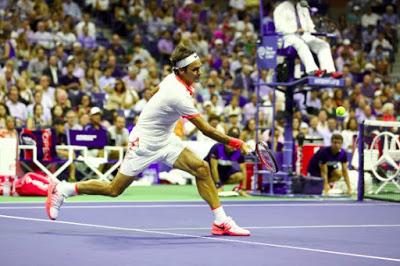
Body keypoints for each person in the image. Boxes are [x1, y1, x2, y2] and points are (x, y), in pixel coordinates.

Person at [46, 44, 251, 236]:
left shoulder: (175, 78)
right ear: (181, 71)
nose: (199, 73)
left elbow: (154, 91)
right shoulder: (177, 94)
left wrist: (152, 114)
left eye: (199, 68)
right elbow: (206, 130)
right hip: (144, 143)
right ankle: (63, 189)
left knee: (202, 169)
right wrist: (237, 143)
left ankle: (221, 221)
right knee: (114, 189)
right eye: (195, 70)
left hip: (165, 139)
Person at [273, 0, 342, 78]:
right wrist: (295, 30)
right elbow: (279, 28)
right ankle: (312, 70)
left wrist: (316, 34)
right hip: (288, 36)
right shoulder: (280, 8)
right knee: (301, 44)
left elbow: (309, 25)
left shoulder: (303, 6)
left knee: (323, 45)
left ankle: (329, 71)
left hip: (304, 35)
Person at [204, 127, 249, 197]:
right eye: (230, 144)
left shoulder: (239, 151)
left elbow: (244, 170)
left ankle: (235, 188)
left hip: (224, 170)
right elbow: (213, 168)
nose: (232, 147)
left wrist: (243, 189)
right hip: (209, 171)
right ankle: (215, 185)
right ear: (225, 142)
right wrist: (218, 185)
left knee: (240, 176)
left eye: (234, 145)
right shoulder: (217, 148)